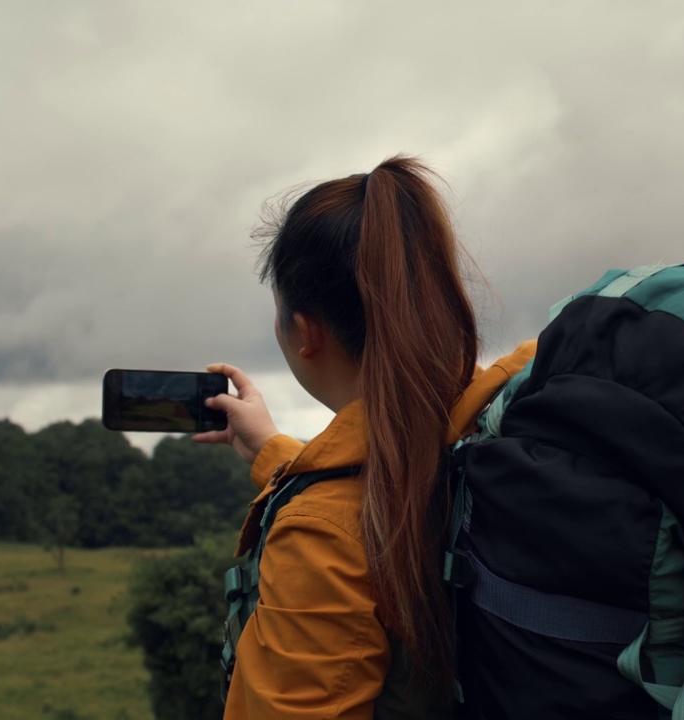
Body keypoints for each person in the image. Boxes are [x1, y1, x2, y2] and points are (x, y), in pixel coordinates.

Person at [194, 156, 535, 719]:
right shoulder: (491, 427)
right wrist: (270, 449)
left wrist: (305, 500)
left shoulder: (320, 535)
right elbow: (386, 463)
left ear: (305, 332)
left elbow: (348, 513)